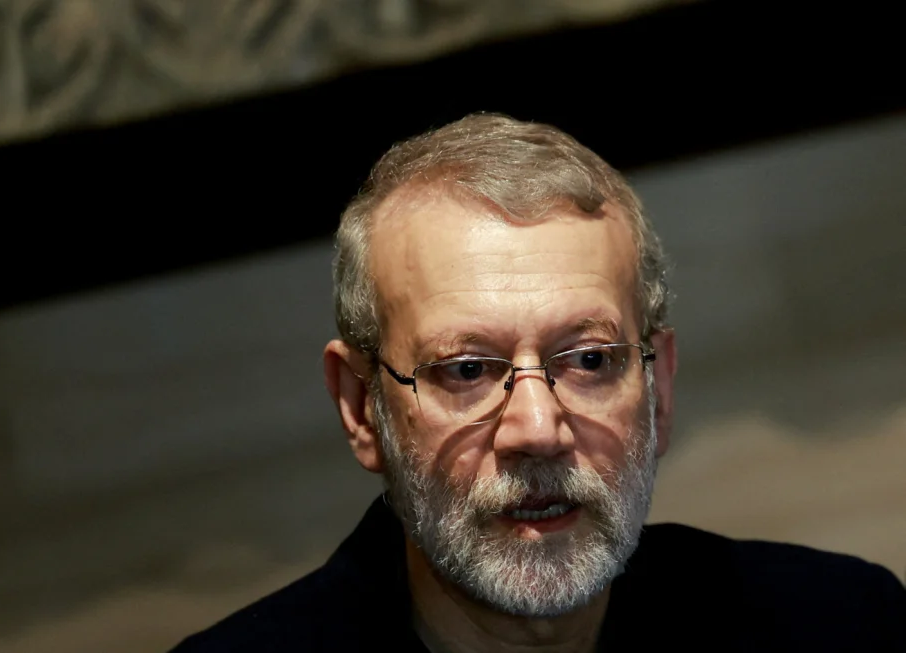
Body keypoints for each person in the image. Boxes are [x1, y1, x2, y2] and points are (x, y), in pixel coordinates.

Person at [170, 114, 906, 652]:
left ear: (659, 385)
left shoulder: (841, 626)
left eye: (588, 360)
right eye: (465, 369)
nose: (536, 428)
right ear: (362, 405)